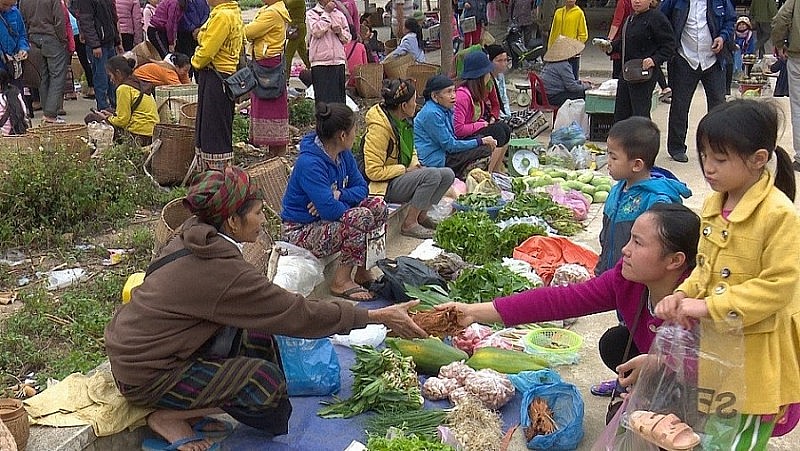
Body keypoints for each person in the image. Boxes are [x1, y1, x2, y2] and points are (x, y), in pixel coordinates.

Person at [105, 167, 426, 451]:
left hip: (150, 349)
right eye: (258, 213)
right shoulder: (219, 270)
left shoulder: (194, 235)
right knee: (265, 384)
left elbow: (273, 309)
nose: (263, 219)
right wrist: (375, 316)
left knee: (258, 334)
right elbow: (297, 312)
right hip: (147, 375)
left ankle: (193, 403)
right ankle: (168, 415)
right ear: (232, 220)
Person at [654, 99, 800, 449]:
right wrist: (682, 295)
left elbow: (777, 287)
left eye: (720, 159)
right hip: (719, 350)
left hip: (756, 351)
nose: (709, 168)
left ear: (758, 160)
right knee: (715, 436)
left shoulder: (779, 215)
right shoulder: (714, 205)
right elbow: (704, 269)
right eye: (704, 155)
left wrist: (706, 308)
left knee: (739, 441)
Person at [439, 203, 701, 396]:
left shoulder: (700, 305)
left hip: (701, 388)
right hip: (659, 365)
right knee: (615, 343)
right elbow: (559, 301)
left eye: (638, 243)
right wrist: (472, 312)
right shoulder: (627, 280)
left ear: (674, 260)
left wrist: (661, 369)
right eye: (629, 238)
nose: (625, 249)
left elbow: (720, 372)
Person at [282, 102, 384, 302]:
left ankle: (364, 271)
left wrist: (338, 195)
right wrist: (328, 205)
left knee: (377, 206)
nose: (357, 134)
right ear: (342, 135)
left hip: (324, 220)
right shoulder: (310, 163)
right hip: (301, 229)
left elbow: (362, 189)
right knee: (360, 216)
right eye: (355, 129)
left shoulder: (343, 154)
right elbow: (330, 211)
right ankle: (341, 281)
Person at [363, 79, 455, 239]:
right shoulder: (379, 129)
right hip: (383, 186)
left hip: (401, 176)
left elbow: (411, 149)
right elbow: (373, 171)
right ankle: (409, 224)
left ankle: (421, 216)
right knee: (432, 175)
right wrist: (405, 169)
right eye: (414, 101)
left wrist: (415, 164)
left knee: (447, 174)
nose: (416, 104)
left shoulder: (404, 121)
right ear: (403, 106)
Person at [660, 0, 735, 163]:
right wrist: (670, 44)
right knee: (680, 105)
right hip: (685, 57)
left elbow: (730, 20)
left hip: (713, 60)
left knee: (718, 107)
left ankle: (717, 147)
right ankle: (676, 147)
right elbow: (662, 19)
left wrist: (722, 37)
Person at [415, 74, 501, 179]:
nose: (453, 95)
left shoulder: (445, 108)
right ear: (434, 96)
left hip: (445, 151)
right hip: (436, 158)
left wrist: (480, 139)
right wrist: (480, 141)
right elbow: (450, 146)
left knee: (485, 139)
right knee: (484, 148)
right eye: (448, 92)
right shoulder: (431, 113)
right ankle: (462, 176)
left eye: (453, 91)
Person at [191, 0, 243, 170]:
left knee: (212, 128)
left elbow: (208, 50)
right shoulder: (231, 11)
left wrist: (195, 61)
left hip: (216, 77)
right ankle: (219, 173)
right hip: (224, 76)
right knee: (218, 125)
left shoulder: (222, 16)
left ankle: (215, 175)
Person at [603, 0, 673, 122]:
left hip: (644, 74)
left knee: (640, 114)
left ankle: (643, 140)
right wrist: (609, 47)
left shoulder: (657, 18)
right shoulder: (630, 19)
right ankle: (623, 140)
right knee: (621, 113)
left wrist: (654, 59)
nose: (637, 1)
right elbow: (623, 43)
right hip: (627, 72)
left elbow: (669, 45)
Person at [245, 0, 290, 158]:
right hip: (270, 62)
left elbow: (249, 32)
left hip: (267, 64)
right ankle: (275, 151)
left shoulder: (272, 13)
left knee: (268, 102)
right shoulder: (272, 9)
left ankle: (276, 151)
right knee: (272, 104)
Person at [453, 51, 510, 172]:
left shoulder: (479, 91)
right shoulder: (462, 97)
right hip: (462, 139)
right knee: (498, 132)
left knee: (504, 128)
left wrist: (491, 119)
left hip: (473, 131)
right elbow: (458, 130)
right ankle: (488, 173)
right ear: (481, 75)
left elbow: (496, 105)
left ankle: (496, 170)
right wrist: (481, 124)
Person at [84, 56, 158, 145]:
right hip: (152, 133)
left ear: (118, 73)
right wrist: (112, 115)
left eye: (110, 76)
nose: (111, 80)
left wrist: (106, 118)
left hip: (139, 135)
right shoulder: (136, 82)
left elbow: (122, 121)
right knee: (109, 110)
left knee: (91, 118)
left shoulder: (123, 89)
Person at [19, 0, 68, 124]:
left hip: (33, 38)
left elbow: (22, 21)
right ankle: (50, 114)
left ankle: (47, 112)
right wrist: (62, 39)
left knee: (42, 77)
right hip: (51, 36)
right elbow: (59, 19)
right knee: (57, 76)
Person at [74, 0, 121, 114]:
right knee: (101, 77)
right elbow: (86, 22)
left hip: (109, 42)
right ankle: (103, 107)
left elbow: (113, 18)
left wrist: (117, 41)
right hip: (99, 45)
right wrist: (95, 45)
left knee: (113, 77)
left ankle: (115, 105)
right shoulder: (85, 3)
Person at [307, 0, 350, 106]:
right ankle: (323, 122)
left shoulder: (339, 14)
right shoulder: (311, 14)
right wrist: (326, 14)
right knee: (323, 100)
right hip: (320, 62)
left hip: (337, 62)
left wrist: (340, 32)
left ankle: (338, 122)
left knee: (338, 101)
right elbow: (316, 32)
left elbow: (348, 38)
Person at [540, 35, 591, 106]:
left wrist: (580, 82)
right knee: (585, 94)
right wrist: (587, 86)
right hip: (550, 97)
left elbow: (568, 82)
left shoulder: (551, 62)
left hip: (543, 95)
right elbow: (572, 87)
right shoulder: (563, 65)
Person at [548, 0, 587, 79]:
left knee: (572, 78)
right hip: (558, 52)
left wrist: (574, 47)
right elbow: (553, 32)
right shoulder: (558, 12)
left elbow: (583, 35)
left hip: (572, 54)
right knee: (558, 78)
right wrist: (550, 49)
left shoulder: (579, 13)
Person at [0, 0, 29, 88]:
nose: (8, 8)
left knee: (17, 96)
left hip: (14, 66)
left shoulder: (15, 13)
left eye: (11, 5)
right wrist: (3, 55)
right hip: (1, 66)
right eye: (5, 5)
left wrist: (23, 48)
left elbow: (22, 35)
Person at [176, 0, 208, 78]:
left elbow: (206, 13)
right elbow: (181, 16)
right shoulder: (182, 2)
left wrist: (200, 28)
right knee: (186, 60)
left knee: (200, 59)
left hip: (200, 33)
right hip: (185, 34)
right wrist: (192, 29)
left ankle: (199, 81)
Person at [284, 0, 311, 79]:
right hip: (297, 28)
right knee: (302, 52)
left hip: (297, 29)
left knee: (288, 55)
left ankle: (286, 79)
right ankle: (311, 67)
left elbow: (287, 4)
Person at [484, 44, 511, 120]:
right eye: (499, 61)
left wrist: (508, 115)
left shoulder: (500, 76)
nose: (503, 64)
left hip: (503, 113)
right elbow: (491, 105)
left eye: (505, 60)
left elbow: (504, 99)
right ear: (490, 61)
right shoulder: (487, 79)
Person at [0, 68, 28, 135]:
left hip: (3, 134)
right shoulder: (15, 92)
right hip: (17, 131)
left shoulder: (2, 98)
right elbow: (24, 112)